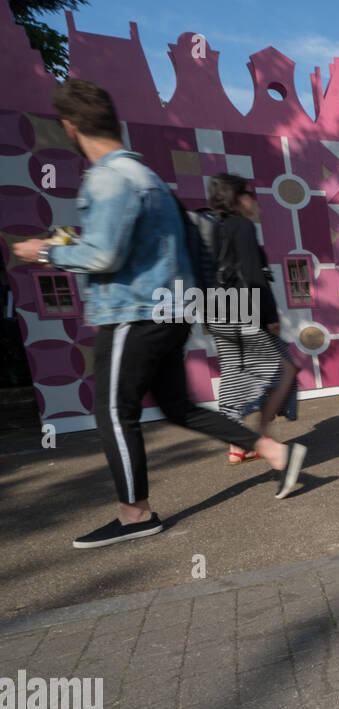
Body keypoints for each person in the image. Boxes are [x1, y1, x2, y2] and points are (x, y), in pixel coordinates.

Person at [12, 79, 306, 549]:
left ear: (70, 128)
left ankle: (136, 515)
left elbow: (104, 255)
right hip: (173, 309)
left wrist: (47, 252)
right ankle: (272, 449)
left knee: (112, 409)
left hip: (133, 312)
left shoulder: (109, 178)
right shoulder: (150, 179)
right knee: (177, 407)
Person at [204, 173, 301, 464]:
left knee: (239, 373)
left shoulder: (215, 228)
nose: (254, 202)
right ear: (238, 198)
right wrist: (269, 316)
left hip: (221, 312)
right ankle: (258, 437)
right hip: (244, 314)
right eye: (249, 196)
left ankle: (242, 443)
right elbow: (253, 275)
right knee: (286, 370)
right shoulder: (240, 225)